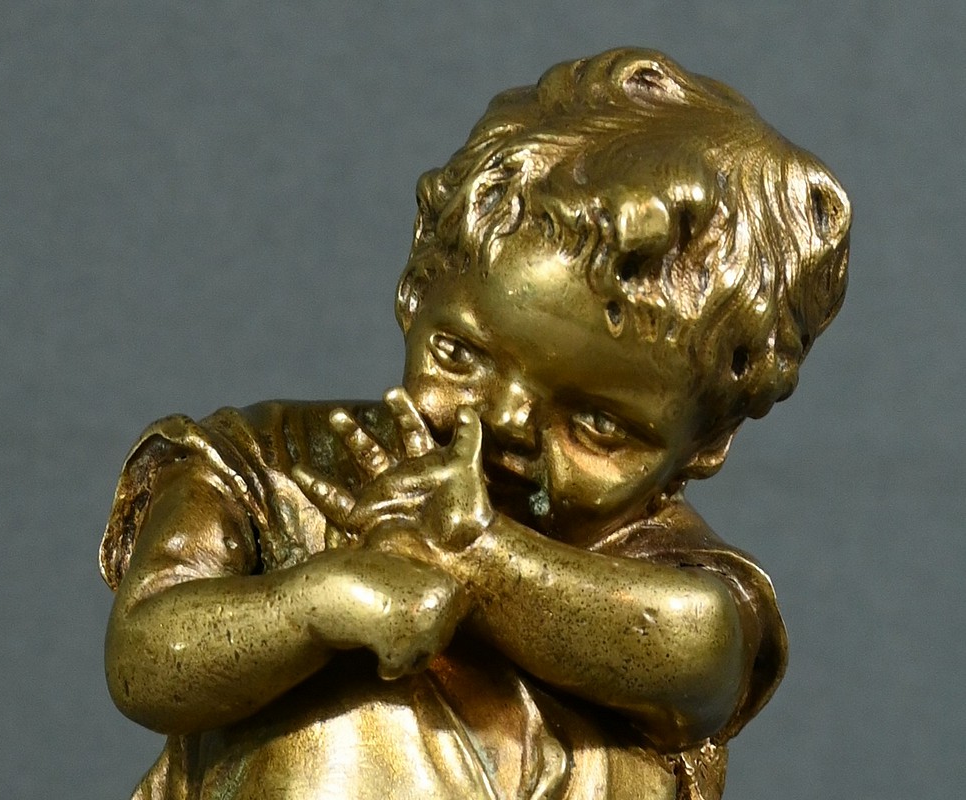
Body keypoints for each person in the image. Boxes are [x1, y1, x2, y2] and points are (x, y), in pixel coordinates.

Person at [100, 48, 851, 800]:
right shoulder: (273, 465)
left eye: (597, 424)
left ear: (704, 445)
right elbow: (145, 655)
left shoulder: (657, 560)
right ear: (417, 288)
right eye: (461, 355)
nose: (506, 422)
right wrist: (312, 607)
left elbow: (698, 652)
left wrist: (481, 558)